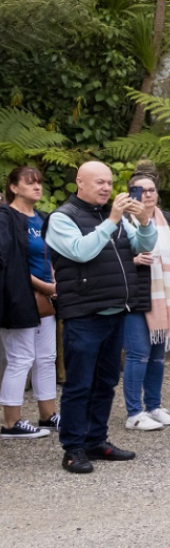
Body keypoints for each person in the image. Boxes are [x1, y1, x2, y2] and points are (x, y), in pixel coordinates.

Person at [47, 160, 156, 473]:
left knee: (106, 382)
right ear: (80, 182)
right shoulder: (61, 218)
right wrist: (112, 220)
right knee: (79, 384)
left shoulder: (117, 218)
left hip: (115, 312)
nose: (107, 188)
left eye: (109, 182)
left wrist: (145, 221)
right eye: (100, 183)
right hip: (84, 315)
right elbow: (81, 251)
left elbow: (144, 246)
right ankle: (72, 448)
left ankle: (96, 440)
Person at [120, 169, 170, 431]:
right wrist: (133, 261)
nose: (148, 194)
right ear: (132, 194)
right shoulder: (120, 221)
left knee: (157, 356)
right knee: (138, 354)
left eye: (152, 189)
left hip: (166, 299)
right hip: (134, 296)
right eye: (141, 190)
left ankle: (154, 406)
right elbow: (109, 259)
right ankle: (134, 413)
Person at [1, 164, 57, 439]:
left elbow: (51, 255)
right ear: (13, 187)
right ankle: (10, 423)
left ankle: (48, 415)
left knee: (47, 357)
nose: (37, 186)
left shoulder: (43, 219)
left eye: (39, 182)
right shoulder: (6, 217)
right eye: (29, 182)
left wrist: (55, 283)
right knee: (21, 358)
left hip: (46, 298)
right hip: (19, 297)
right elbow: (13, 262)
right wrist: (44, 285)